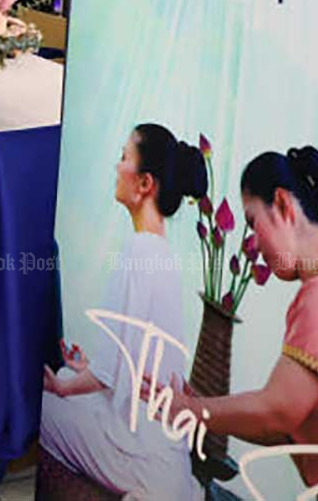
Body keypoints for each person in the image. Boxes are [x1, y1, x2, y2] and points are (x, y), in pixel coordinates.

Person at [164, 148, 318, 501]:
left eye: (253, 223)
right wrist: (201, 408)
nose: (252, 243)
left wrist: (189, 409)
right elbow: (286, 426)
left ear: (283, 205)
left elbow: (276, 413)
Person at [39, 124, 205, 501]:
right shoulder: (161, 253)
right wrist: (82, 371)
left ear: (145, 183)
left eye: (124, 157)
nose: (117, 167)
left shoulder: (138, 251)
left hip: (138, 457)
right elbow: (132, 365)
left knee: (43, 404)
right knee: (67, 373)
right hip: (162, 453)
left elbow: (113, 370)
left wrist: (63, 387)